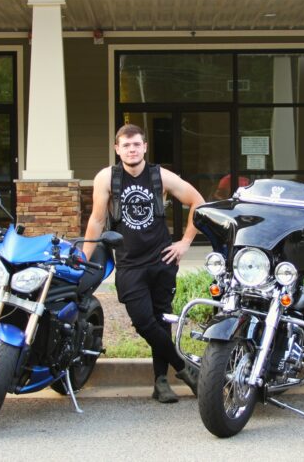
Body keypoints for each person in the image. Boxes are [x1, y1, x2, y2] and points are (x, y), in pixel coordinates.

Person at [82, 124, 205, 404]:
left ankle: (161, 382)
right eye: (126, 145)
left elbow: (198, 202)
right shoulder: (107, 178)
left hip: (162, 260)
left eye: (137, 144)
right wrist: (83, 260)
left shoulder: (160, 176)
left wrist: (185, 242)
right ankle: (184, 368)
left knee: (161, 319)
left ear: (145, 147)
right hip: (129, 263)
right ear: (117, 149)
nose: (132, 150)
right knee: (143, 322)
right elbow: (97, 220)